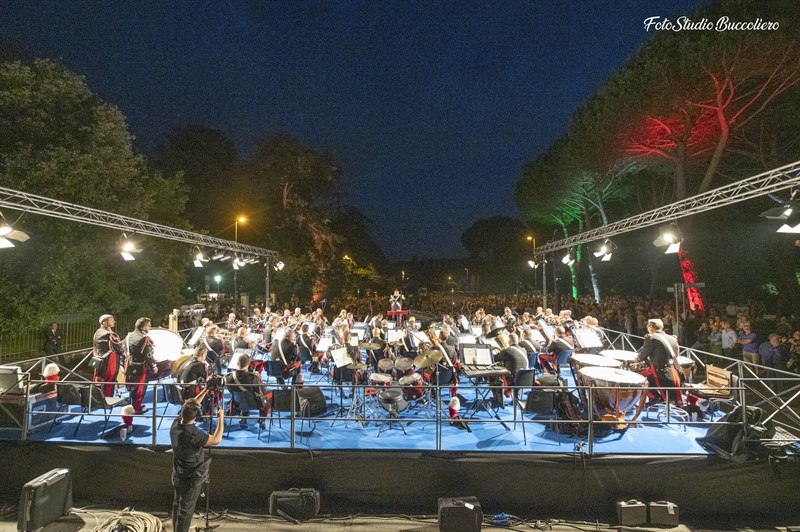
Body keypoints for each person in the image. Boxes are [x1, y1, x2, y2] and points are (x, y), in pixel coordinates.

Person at [170, 391, 223, 532]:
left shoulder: (175, 425)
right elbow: (216, 439)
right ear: (196, 416)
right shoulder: (194, 434)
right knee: (185, 510)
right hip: (191, 478)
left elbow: (191, 404)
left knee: (177, 506)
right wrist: (221, 418)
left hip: (178, 474)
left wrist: (206, 389)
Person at [635, 319, 682, 404]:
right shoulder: (673, 338)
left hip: (658, 371)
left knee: (636, 378)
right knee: (649, 379)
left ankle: (655, 397)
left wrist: (635, 360)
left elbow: (642, 356)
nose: (647, 327)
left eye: (648, 326)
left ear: (652, 327)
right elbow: (677, 353)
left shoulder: (651, 338)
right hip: (672, 370)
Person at [123, 317, 158, 414]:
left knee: (132, 387)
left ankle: (132, 405)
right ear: (143, 327)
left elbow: (123, 348)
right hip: (140, 367)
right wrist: (153, 366)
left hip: (129, 365)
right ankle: (136, 408)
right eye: (148, 325)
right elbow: (148, 354)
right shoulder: (143, 338)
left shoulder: (128, 336)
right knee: (140, 389)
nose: (150, 327)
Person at [226, 353, 268, 428]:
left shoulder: (228, 377)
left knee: (244, 396)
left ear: (237, 363)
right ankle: (262, 419)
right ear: (248, 364)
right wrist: (259, 379)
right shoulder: (254, 377)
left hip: (237, 404)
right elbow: (262, 392)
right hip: (254, 404)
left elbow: (231, 391)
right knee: (267, 398)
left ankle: (243, 417)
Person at [93, 314, 123, 397]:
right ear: (104, 323)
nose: (114, 322)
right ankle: (107, 399)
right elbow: (119, 349)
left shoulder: (97, 332)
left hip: (99, 359)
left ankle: (100, 398)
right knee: (110, 380)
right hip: (109, 361)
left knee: (101, 380)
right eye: (111, 320)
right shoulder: (109, 334)